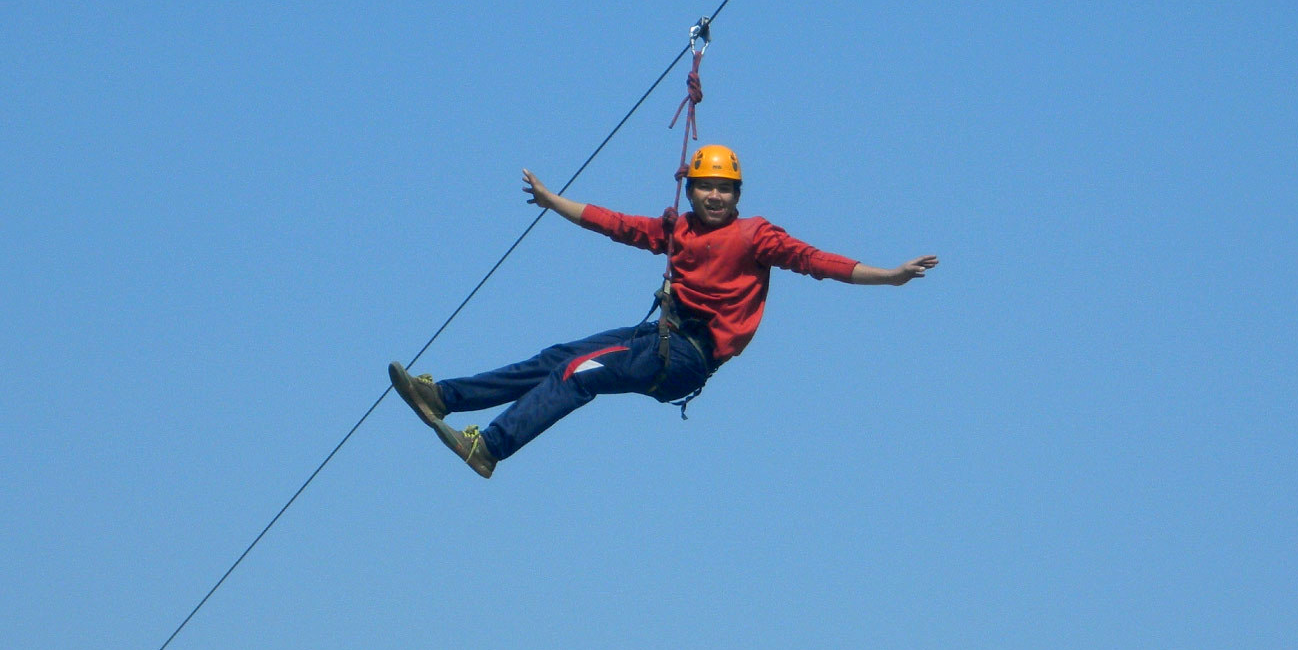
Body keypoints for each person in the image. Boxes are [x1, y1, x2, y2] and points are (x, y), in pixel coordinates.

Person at [389, 144, 939, 477]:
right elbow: (617, 225)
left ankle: (488, 449)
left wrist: (888, 275)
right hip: (659, 335)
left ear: (738, 194)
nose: (715, 197)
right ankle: (444, 396)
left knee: (577, 375)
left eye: (724, 189)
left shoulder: (756, 237)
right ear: (692, 189)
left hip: (688, 357)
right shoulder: (678, 229)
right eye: (706, 187)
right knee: (559, 357)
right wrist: (554, 201)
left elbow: (816, 261)